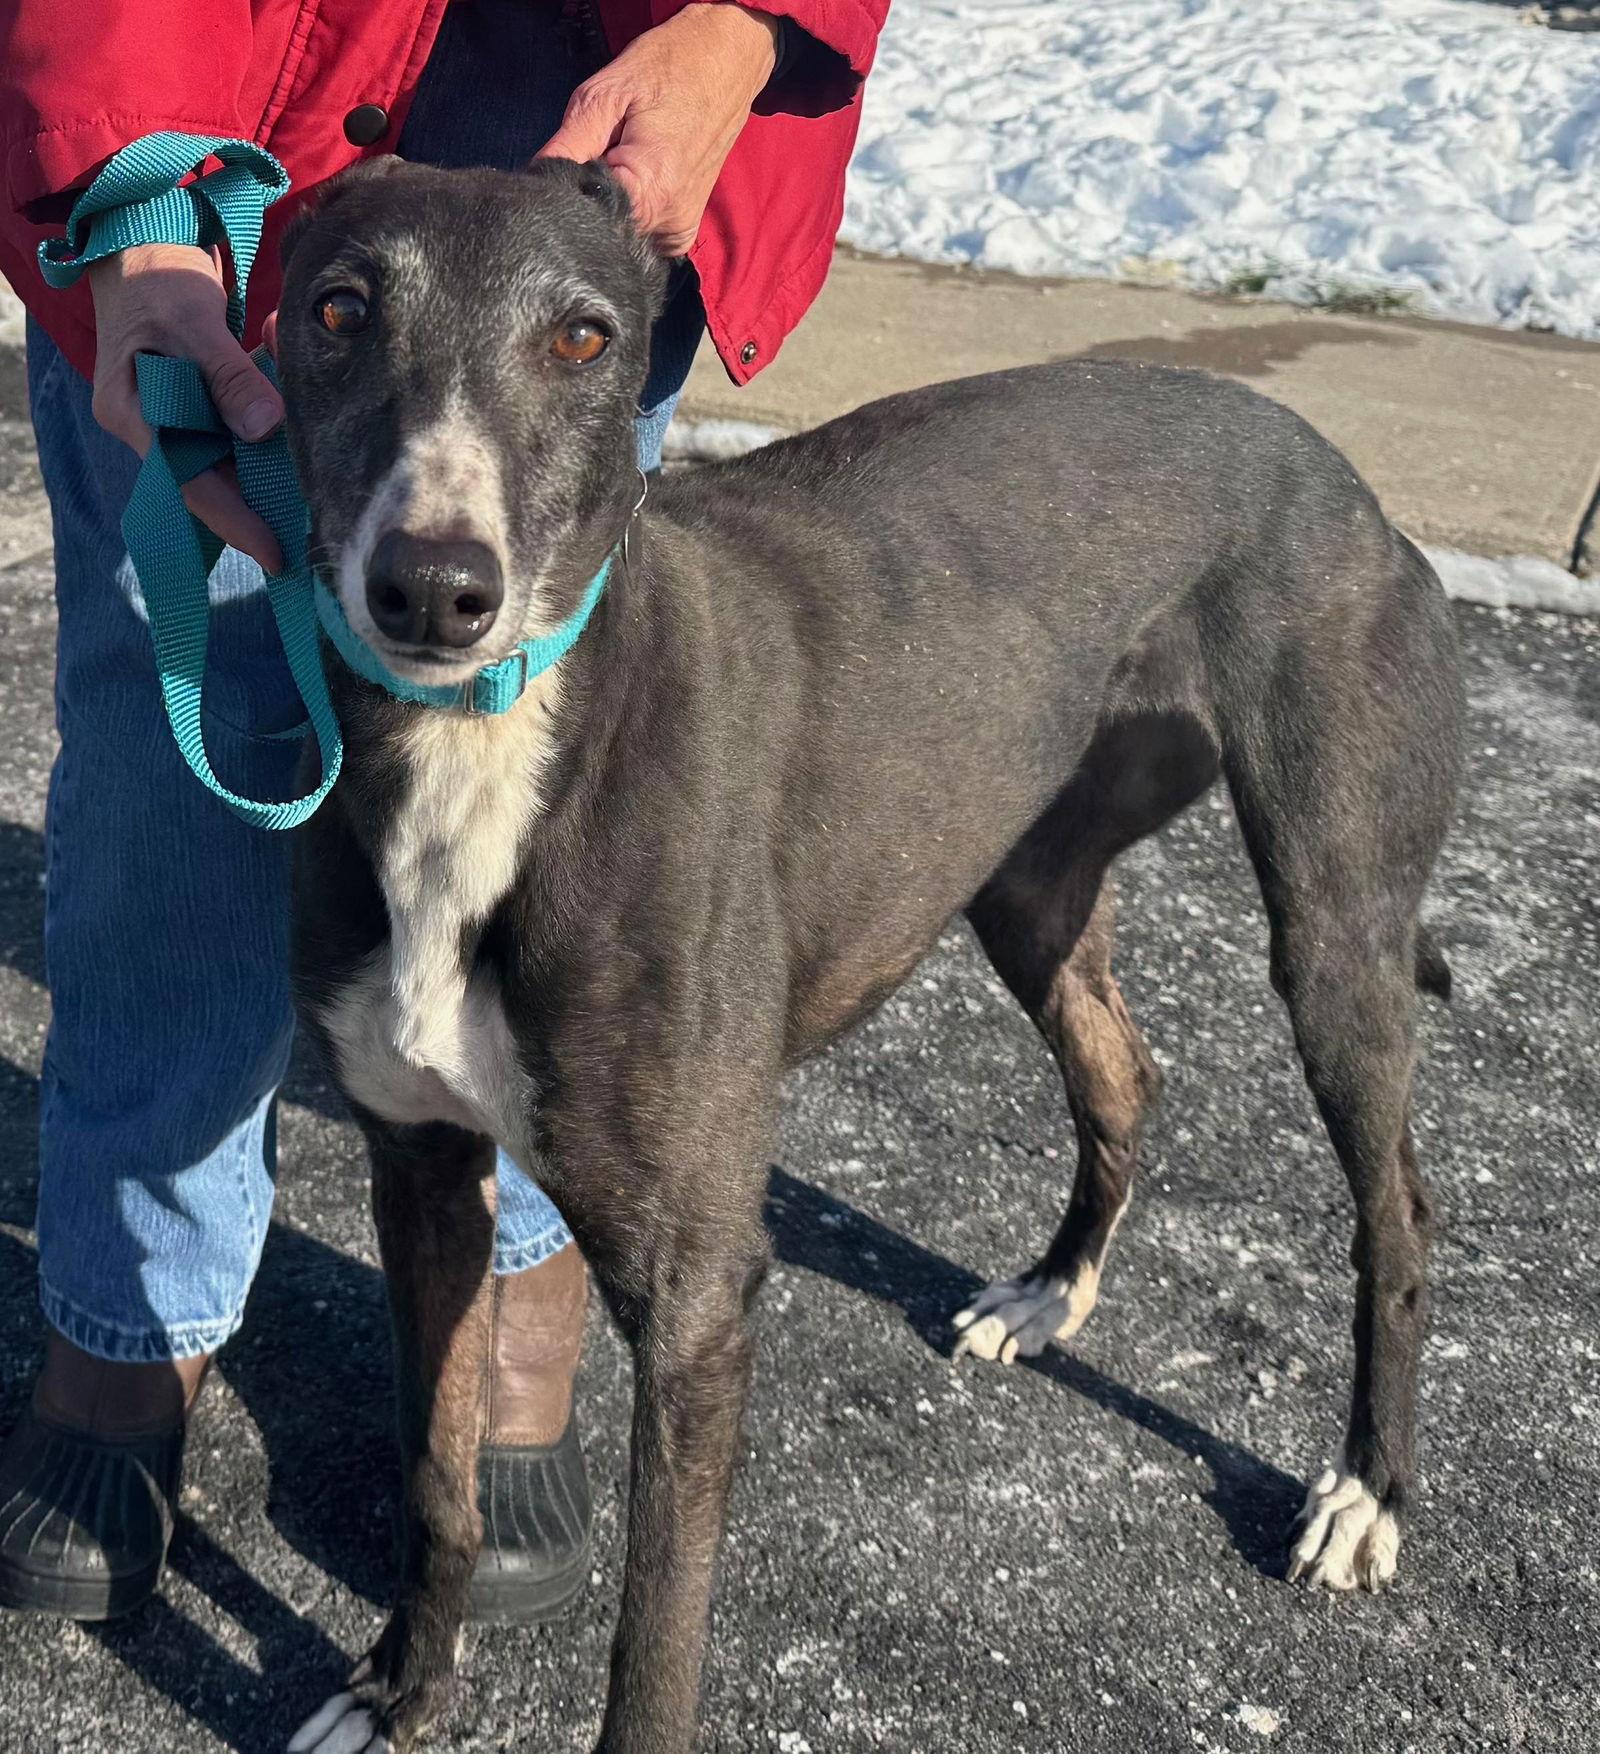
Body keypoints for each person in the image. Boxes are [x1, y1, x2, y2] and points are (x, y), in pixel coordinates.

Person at [0, 0, 888, 1622]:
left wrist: (754, 29)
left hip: (600, 64)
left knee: (569, 725)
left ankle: (529, 1237)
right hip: (216, 73)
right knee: (164, 706)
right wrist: (127, 172)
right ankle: (137, 1299)